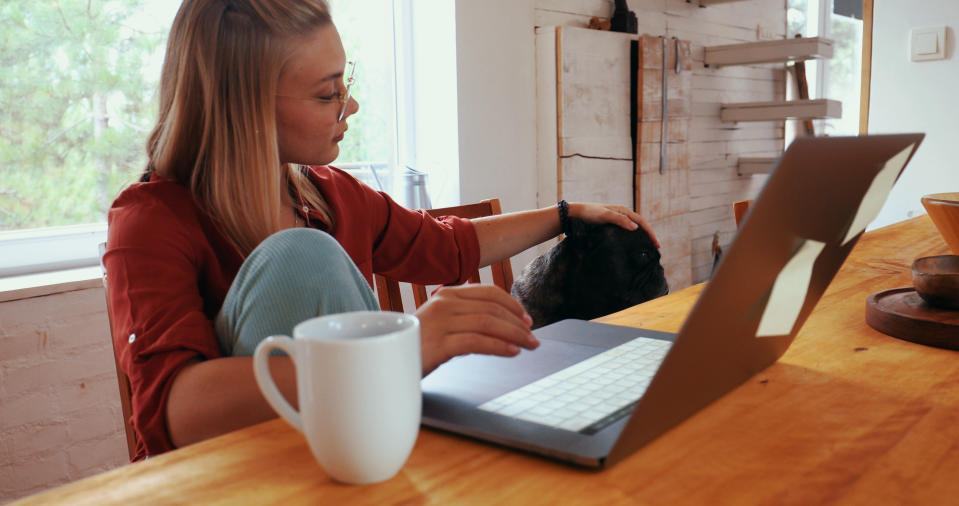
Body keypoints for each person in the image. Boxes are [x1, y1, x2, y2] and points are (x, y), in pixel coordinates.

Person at [103, 0, 660, 462]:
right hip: (231, 474)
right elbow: (173, 413)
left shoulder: (327, 192)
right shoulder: (150, 221)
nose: (351, 104)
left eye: (344, 84)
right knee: (301, 257)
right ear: (240, 105)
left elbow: (447, 246)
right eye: (326, 94)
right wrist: (391, 354)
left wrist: (564, 214)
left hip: (336, 456)